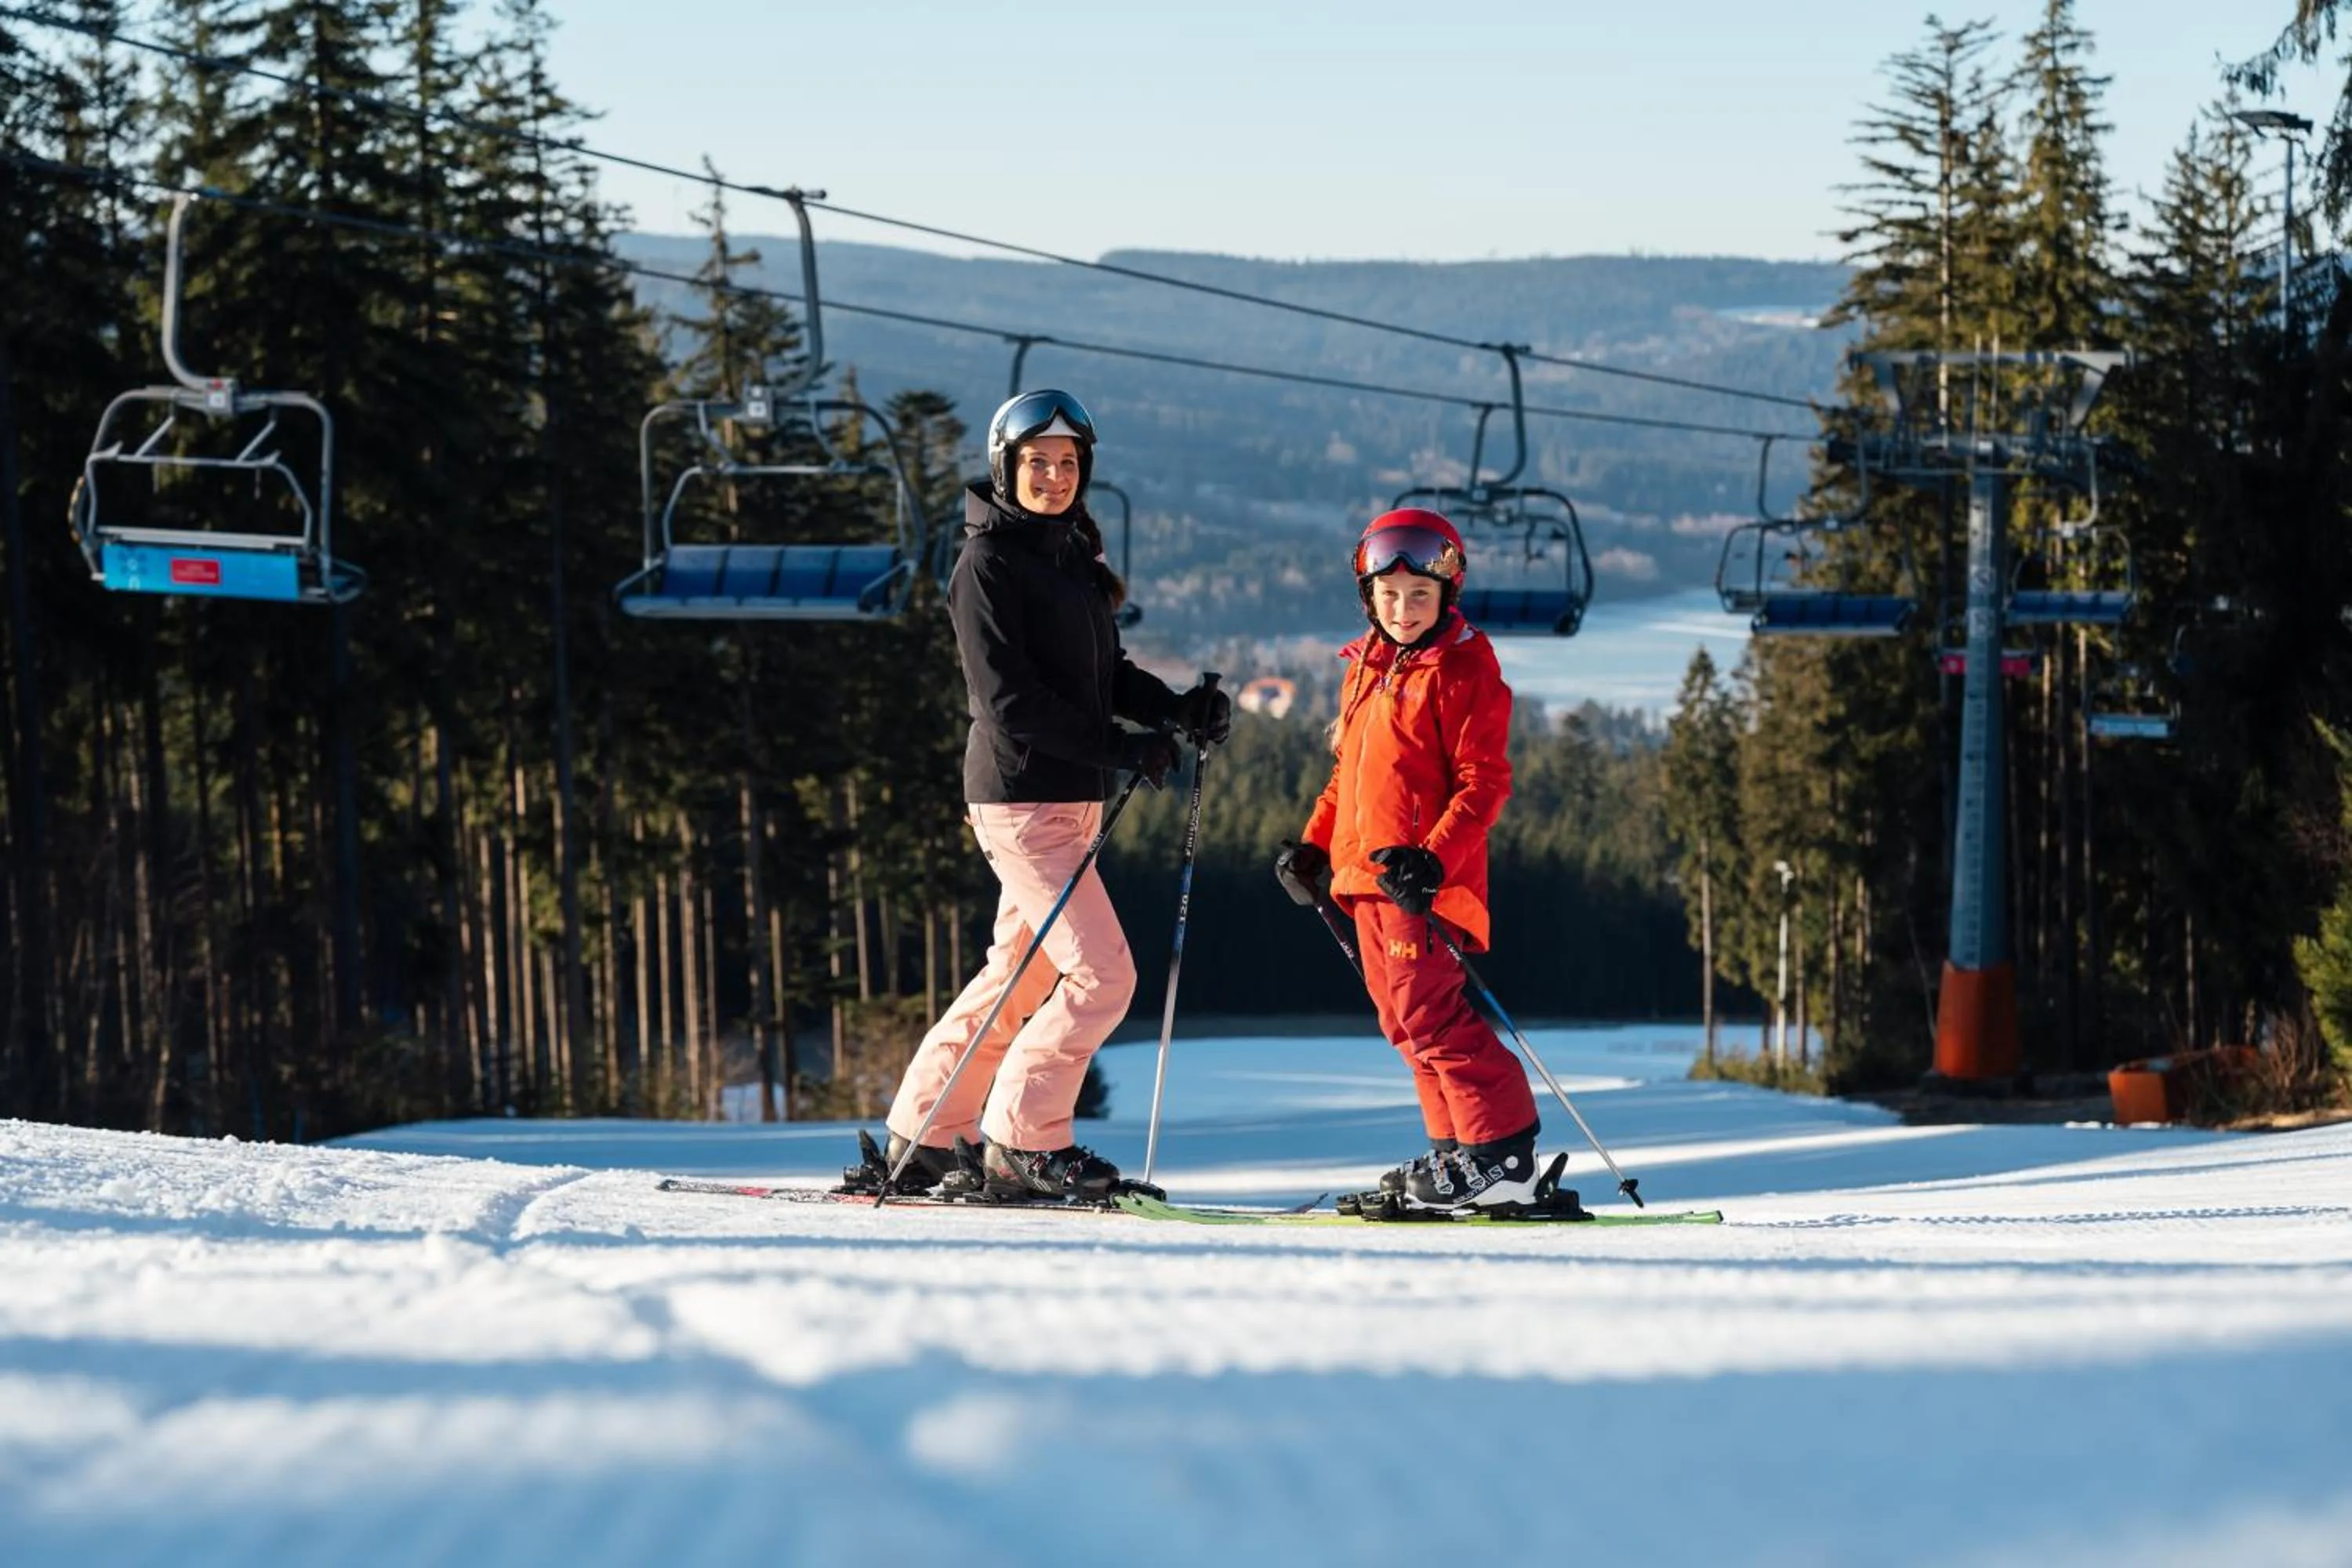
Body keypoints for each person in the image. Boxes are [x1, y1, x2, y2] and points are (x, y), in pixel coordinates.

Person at [861, 389, 1230, 1201]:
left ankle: (925, 1132)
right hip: (1022, 800)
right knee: (1102, 976)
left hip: (1069, 796)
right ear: (1006, 466)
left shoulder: (1069, 556)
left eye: (1068, 463)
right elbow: (1011, 704)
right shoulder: (985, 566)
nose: (1055, 476)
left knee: (1020, 974)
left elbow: (1103, 676)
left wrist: (1171, 707)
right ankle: (1023, 1139)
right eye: (1038, 463)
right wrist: (1122, 745)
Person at [1272, 507, 1541, 1211]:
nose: (1403, 609)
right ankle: (1457, 1152)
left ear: (1447, 593)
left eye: (1419, 596)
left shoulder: (1462, 669)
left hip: (1420, 881)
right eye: (1389, 596)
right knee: (1403, 1025)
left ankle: (1502, 1152)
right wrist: (1314, 847)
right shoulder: (1365, 666)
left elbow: (1485, 784)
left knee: (1432, 1017)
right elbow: (1348, 775)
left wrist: (1433, 860)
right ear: (1368, 597)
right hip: (1365, 878)